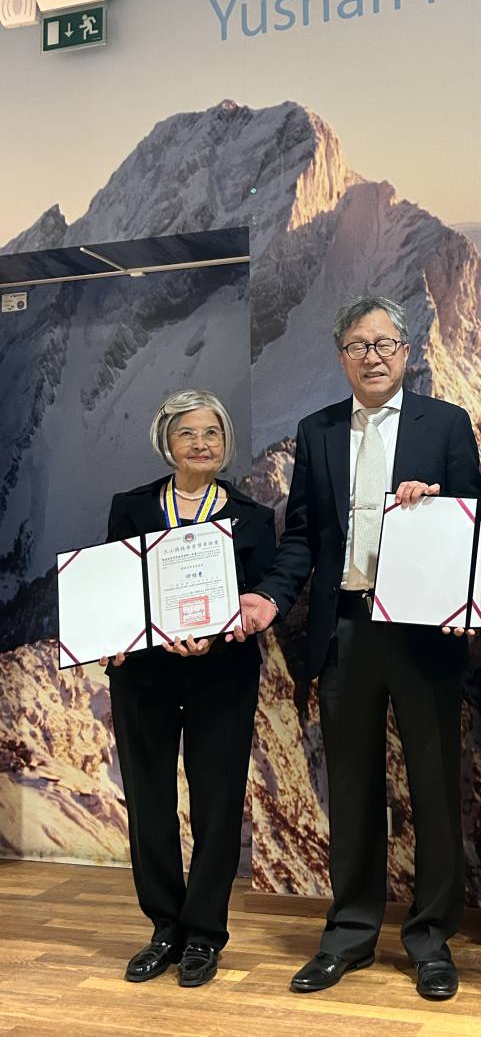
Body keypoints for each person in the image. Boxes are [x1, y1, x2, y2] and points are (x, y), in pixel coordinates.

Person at [233, 296, 481, 1000]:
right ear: (340, 355)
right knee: (351, 790)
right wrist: (271, 597)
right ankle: (347, 934)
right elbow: (303, 539)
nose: (372, 355)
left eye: (385, 343)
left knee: (434, 788)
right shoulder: (316, 433)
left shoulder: (448, 424)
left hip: (423, 628)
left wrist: (433, 502)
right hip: (345, 628)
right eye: (357, 344)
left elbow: (472, 517)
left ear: (406, 352)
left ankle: (432, 939)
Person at [101, 389, 276, 988]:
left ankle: (204, 933)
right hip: (144, 675)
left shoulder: (253, 518)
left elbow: (256, 601)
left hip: (221, 676)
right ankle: (164, 928)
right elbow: (118, 588)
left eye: (212, 434)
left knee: (218, 805)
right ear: (166, 443)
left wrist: (219, 634)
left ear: (225, 442)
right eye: (188, 434)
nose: (201, 444)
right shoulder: (131, 507)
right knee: (149, 801)